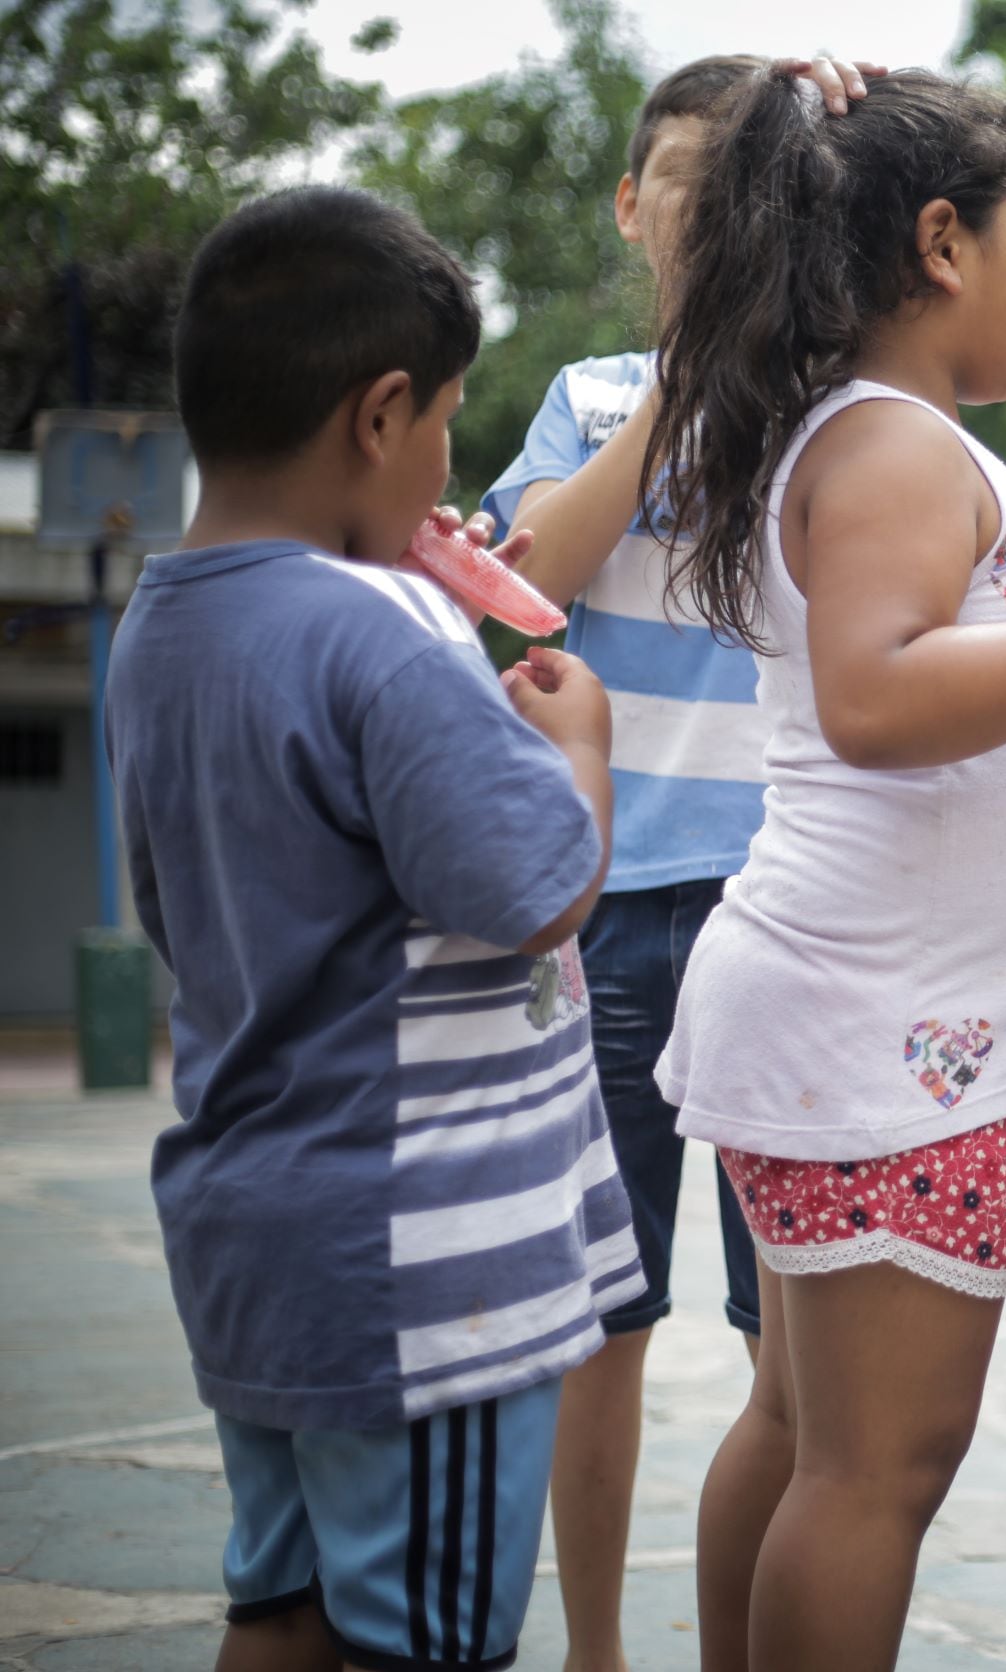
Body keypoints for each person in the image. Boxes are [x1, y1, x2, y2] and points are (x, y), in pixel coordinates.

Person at [635, 66, 1006, 1672]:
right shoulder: (892, 445)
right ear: (948, 245)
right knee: (878, 1469)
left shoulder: (893, 442)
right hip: (887, 1040)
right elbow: (882, 702)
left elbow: (985, 681)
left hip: (868, 1023)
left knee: (805, 1427)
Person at [107, 186, 639, 1672]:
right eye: (451, 420)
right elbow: (538, 891)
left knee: (278, 1611)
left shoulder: (166, 624)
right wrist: (577, 749)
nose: (455, 462)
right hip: (425, 1279)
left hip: (258, 1240)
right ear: (379, 413)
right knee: (431, 1641)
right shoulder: (380, 633)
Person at [474, 52, 882, 1672]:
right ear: (629, 204)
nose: (716, 214)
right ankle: (593, 1651)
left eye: (748, 186)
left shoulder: (840, 402)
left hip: (786, 908)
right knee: (603, 1318)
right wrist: (679, 379)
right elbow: (521, 582)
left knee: (789, 1334)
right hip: (617, 915)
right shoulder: (587, 399)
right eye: (688, 185)